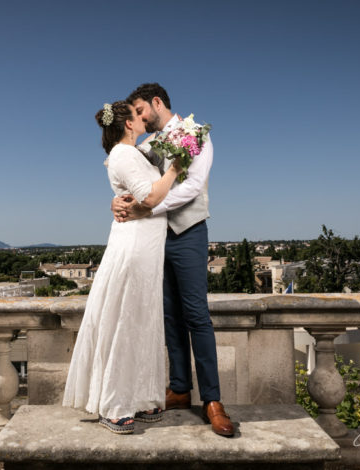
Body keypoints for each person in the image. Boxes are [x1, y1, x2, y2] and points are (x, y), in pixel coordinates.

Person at [111, 83, 234, 437]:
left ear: (156, 102)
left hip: (189, 234)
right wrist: (117, 202)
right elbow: (133, 183)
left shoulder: (197, 135)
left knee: (196, 315)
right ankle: (179, 388)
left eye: (139, 112)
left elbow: (193, 186)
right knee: (168, 316)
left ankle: (212, 400)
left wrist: (144, 209)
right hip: (154, 238)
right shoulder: (146, 145)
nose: (137, 120)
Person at [62, 100, 182, 435]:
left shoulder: (134, 152)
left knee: (141, 320)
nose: (143, 118)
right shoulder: (123, 154)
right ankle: (114, 405)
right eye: (137, 115)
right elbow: (149, 197)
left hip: (146, 245)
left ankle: (141, 396)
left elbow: (130, 192)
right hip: (134, 246)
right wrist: (176, 169)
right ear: (128, 123)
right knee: (127, 320)